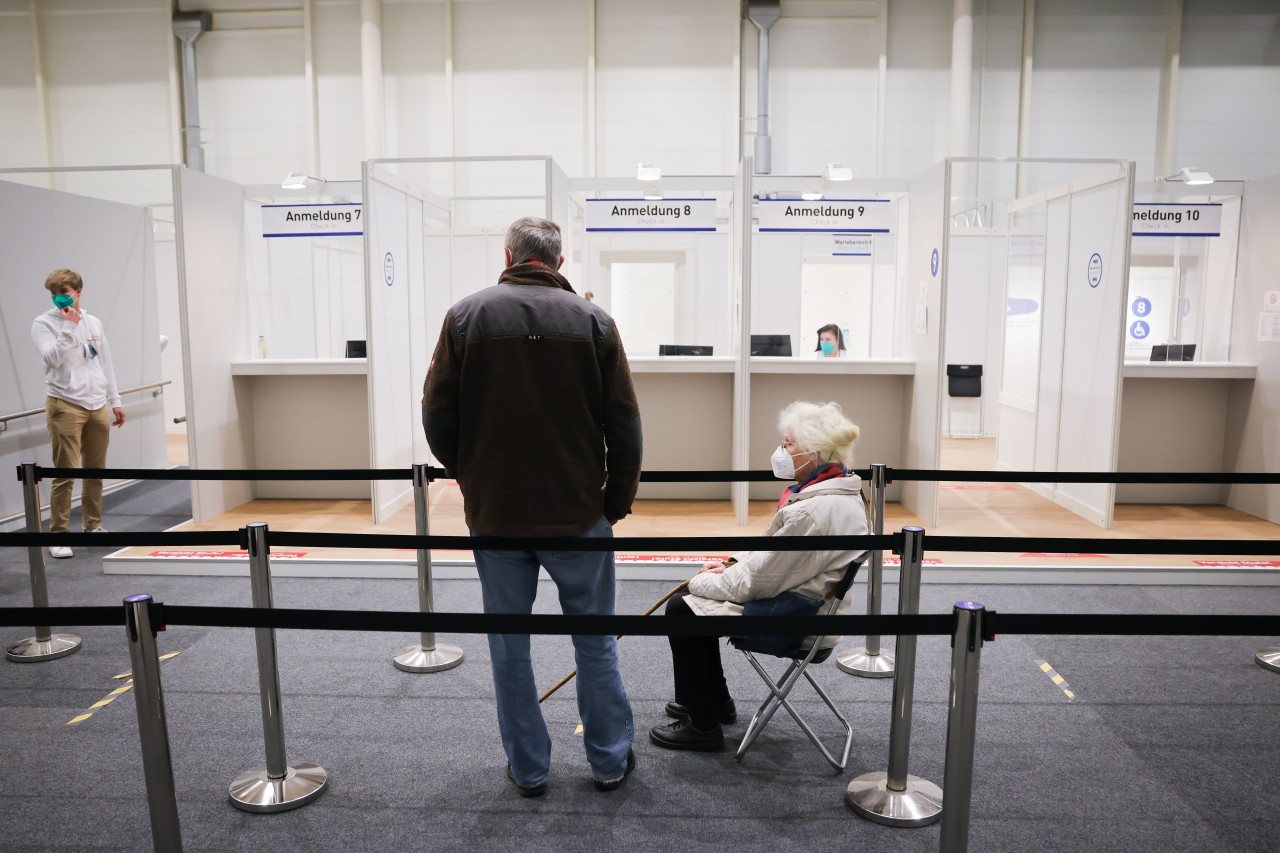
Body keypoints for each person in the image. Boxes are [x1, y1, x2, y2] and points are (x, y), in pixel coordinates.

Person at [422, 216, 642, 797]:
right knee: (596, 644)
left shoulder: (465, 316)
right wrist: (613, 502)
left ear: (508, 254)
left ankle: (529, 769)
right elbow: (624, 425)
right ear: (560, 263)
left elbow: (437, 416)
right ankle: (609, 761)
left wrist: (468, 473)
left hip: (496, 512)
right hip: (576, 510)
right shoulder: (596, 322)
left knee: (508, 647)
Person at [650, 400, 866, 751]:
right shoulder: (840, 494)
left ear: (815, 453)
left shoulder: (812, 511)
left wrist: (699, 581)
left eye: (789, 443)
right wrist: (731, 563)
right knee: (694, 605)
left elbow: (755, 582)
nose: (782, 451)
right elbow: (773, 558)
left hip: (796, 617)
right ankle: (712, 702)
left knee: (681, 607)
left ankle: (703, 725)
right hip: (809, 605)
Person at [30, 269, 125, 560]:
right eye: (54, 293)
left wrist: (115, 400)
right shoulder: (43, 323)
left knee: (95, 470)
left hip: (97, 403)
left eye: (65, 292)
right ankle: (58, 534)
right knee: (65, 473)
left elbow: (104, 363)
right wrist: (68, 326)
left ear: (79, 292)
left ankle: (92, 526)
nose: (59, 298)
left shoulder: (93, 321)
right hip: (65, 403)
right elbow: (51, 358)